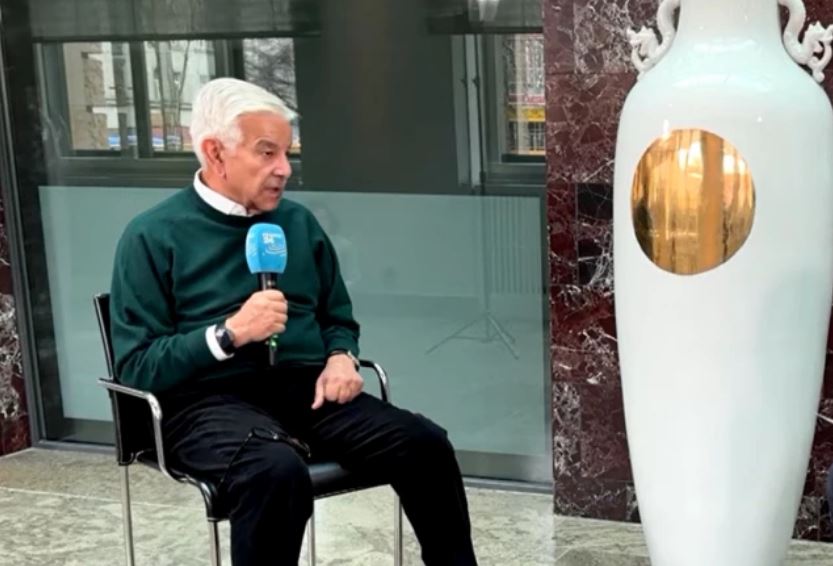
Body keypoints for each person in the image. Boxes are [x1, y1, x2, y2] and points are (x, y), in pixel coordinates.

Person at [109, 77, 478, 566]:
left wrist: (342, 356)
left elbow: (336, 316)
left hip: (305, 391)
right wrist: (228, 334)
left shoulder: (298, 224)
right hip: (203, 404)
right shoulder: (151, 236)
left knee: (425, 444)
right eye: (267, 153)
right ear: (215, 153)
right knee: (274, 470)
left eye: (287, 153)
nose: (284, 168)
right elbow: (136, 366)